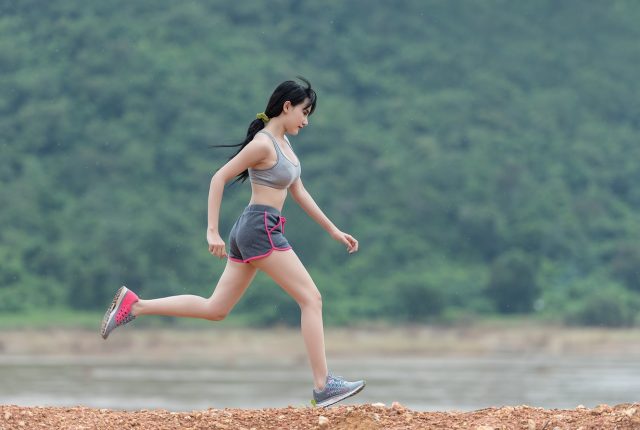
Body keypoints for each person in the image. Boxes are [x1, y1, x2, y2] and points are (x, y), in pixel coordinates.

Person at [100, 77, 365, 407]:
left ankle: (135, 305)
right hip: (260, 229)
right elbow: (219, 178)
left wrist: (333, 230)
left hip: (253, 229)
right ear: (287, 107)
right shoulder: (264, 144)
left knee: (216, 309)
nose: (306, 120)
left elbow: (298, 191)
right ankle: (323, 385)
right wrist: (212, 231)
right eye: (304, 112)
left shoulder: (284, 145)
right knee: (312, 299)